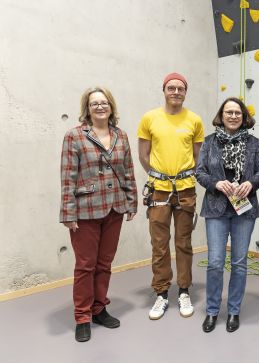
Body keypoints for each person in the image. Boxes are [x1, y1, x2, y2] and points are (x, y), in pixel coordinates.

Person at [60, 87, 137, 342]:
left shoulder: (121, 136)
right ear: (87, 108)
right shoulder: (74, 136)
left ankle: (99, 308)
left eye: (104, 103)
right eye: (95, 104)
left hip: (114, 207)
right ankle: (82, 317)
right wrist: (68, 212)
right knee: (85, 266)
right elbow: (68, 177)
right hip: (85, 211)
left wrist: (131, 202)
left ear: (111, 107)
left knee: (104, 264)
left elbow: (127, 171)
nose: (100, 107)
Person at [137, 72, 204, 320]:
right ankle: (162, 293)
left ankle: (184, 290)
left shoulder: (194, 120)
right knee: (159, 244)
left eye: (180, 89)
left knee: (183, 242)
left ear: (185, 92)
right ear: (164, 90)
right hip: (159, 189)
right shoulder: (149, 118)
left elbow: (199, 156)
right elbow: (143, 155)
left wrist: (184, 178)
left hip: (186, 189)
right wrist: (159, 178)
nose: (176, 92)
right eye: (171, 88)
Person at [196, 97, 259, 333]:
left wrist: (251, 184)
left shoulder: (254, 142)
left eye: (237, 112)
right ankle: (212, 311)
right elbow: (200, 173)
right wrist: (216, 183)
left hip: (244, 209)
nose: (233, 116)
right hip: (216, 208)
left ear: (244, 116)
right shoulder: (209, 142)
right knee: (215, 263)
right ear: (221, 115)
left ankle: (234, 311)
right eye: (229, 112)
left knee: (239, 262)